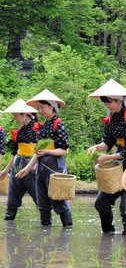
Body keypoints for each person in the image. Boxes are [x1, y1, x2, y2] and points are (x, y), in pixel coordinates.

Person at [87, 79, 126, 235]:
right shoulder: (112, 117)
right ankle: (108, 235)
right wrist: (97, 148)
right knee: (101, 203)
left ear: (119, 100)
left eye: (109, 102)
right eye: (105, 103)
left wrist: (106, 158)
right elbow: (107, 142)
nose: (107, 106)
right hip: (119, 159)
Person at [17, 90, 73, 227]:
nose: (39, 111)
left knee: (57, 199)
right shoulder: (43, 126)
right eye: (38, 108)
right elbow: (37, 153)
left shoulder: (58, 124)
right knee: (42, 201)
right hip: (41, 168)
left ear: (51, 106)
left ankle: (68, 230)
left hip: (54, 167)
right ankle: (45, 234)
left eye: (42, 107)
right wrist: (27, 168)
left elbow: (63, 150)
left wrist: (47, 151)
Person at [0, 99, 39, 220]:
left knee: (38, 197)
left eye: (16, 115)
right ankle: (9, 225)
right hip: (18, 164)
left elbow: (40, 151)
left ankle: (47, 224)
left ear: (25, 114)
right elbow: (14, 153)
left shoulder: (38, 129)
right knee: (12, 199)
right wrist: (6, 170)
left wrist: (36, 165)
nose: (15, 118)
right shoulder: (20, 131)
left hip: (31, 165)